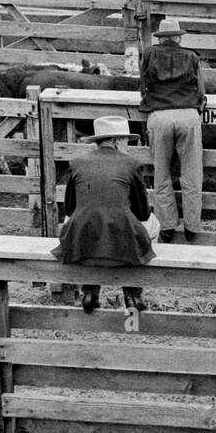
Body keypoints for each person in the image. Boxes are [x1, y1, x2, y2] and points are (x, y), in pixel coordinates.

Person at [52, 116, 154, 314]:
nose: (128, 145)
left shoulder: (77, 162)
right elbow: (142, 213)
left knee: (93, 225)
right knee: (145, 227)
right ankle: (133, 293)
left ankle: (90, 290)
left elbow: (71, 209)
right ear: (116, 141)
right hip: (121, 243)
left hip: (80, 241)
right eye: (126, 140)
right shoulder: (131, 164)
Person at [139, 17, 205, 242]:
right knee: (192, 174)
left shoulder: (148, 54)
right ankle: (192, 226)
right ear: (178, 37)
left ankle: (166, 226)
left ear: (160, 37)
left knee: (162, 173)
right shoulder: (192, 56)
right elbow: (201, 93)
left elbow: (143, 87)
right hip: (187, 115)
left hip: (159, 115)